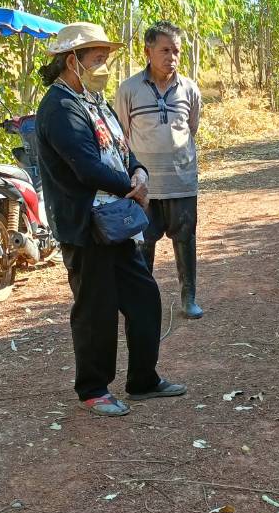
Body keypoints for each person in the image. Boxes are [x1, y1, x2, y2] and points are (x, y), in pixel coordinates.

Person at [35, 22, 186, 417]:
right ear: (73, 62)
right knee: (95, 309)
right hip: (86, 227)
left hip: (115, 222)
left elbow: (122, 147)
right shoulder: (59, 107)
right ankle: (92, 388)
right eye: (98, 59)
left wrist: (138, 171)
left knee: (144, 298)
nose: (104, 66)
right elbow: (85, 167)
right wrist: (132, 187)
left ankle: (143, 379)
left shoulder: (95, 101)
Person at [115, 21, 206, 318]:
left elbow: (191, 128)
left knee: (185, 240)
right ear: (147, 51)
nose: (172, 57)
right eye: (165, 50)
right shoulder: (128, 90)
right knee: (143, 245)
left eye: (176, 51)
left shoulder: (190, 89)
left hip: (181, 181)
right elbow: (122, 135)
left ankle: (188, 298)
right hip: (144, 187)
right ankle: (144, 303)